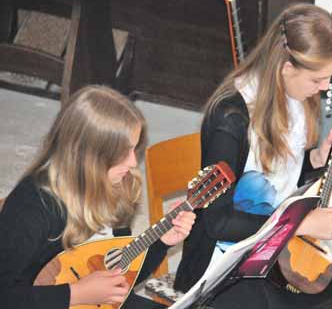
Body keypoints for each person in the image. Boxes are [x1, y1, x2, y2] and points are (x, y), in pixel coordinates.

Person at [174, 3, 332, 309]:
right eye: (317, 80)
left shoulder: (295, 99)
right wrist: (300, 226)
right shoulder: (230, 120)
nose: (325, 89)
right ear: (286, 69)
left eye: (330, 78)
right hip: (224, 261)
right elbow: (216, 223)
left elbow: (279, 181)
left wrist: (315, 159)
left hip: (277, 244)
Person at [0, 85, 196, 309]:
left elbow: (119, 278)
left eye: (134, 149)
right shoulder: (32, 206)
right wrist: (76, 294)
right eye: (124, 152)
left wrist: (161, 242)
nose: (133, 163)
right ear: (90, 156)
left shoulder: (118, 187)